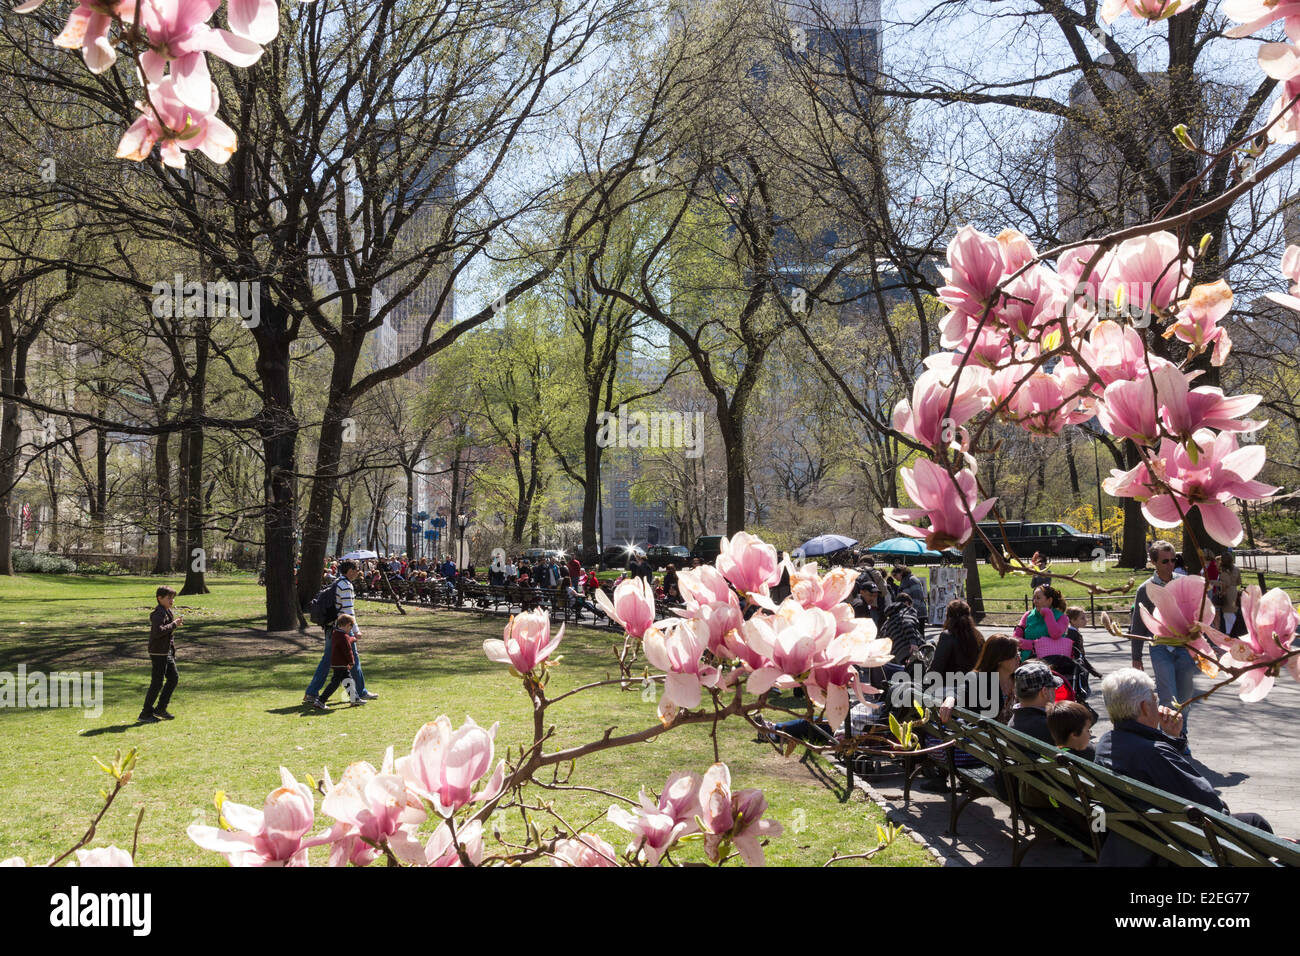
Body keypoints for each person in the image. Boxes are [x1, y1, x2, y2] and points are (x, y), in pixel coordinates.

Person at [1095, 668, 1275, 865]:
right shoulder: (1154, 753)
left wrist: (1171, 737)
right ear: (1145, 707)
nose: (1159, 703)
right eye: (1155, 698)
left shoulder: (1106, 743)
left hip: (1134, 842)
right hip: (1169, 847)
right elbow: (1211, 806)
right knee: (1256, 823)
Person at [1129, 539, 1196, 749]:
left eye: (1173, 560)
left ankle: (1180, 733)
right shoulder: (1145, 589)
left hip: (1184, 647)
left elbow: (1195, 614)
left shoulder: (1183, 583)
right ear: (1154, 562)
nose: (1170, 564)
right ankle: (1172, 741)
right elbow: (1138, 624)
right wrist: (1136, 656)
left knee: (1184, 697)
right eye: (1165, 561)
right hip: (1159, 648)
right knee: (1168, 695)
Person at [304, 560, 377, 708]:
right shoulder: (346, 586)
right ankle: (359, 691)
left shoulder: (338, 582)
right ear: (350, 570)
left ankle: (313, 692)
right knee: (348, 659)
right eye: (356, 569)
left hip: (333, 628)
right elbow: (348, 611)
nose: (358, 572)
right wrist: (355, 630)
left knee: (331, 660)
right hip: (342, 630)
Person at [940, 634, 1020, 724]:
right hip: (989, 735)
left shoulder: (1020, 678)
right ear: (1000, 659)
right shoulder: (980, 680)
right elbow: (960, 689)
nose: (1019, 658)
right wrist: (950, 698)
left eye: (1018, 654)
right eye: (1014, 656)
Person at [140, 585, 184, 723]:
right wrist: (174, 624)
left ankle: (160, 709)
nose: (172, 601)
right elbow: (158, 632)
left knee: (173, 678)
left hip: (166, 652)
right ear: (160, 598)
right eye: (169, 598)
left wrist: (173, 624)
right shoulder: (159, 613)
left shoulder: (166, 611)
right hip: (158, 653)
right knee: (157, 683)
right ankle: (145, 713)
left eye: (173, 598)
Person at [313, 613, 367, 708]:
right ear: (347, 625)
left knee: (348, 680)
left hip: (337, 663)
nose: (351, 629)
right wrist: (351, 662)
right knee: (335, 683)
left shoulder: (336, 634)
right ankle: (321, 701)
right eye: (351, 626)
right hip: (341, 664)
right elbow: (348, 651)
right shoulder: (343, 636)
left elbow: (345, 641)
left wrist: (352, 639)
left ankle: (355, 699)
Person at [1008, 660, 1061, 745]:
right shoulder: (1052, 727)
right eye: (1054, 688)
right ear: (1044, 692)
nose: (1055, 691)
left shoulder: (1014, 720)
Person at [1014, 585, 1071, 659]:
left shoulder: (1062, 617)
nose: (1035, 601)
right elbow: (1015, 638)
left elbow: (1055, 635)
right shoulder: (1028, 615)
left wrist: (1048, 614)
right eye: (1034, 598)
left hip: (1052, 663)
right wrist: (1033, 645)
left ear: (1049, 600)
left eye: (1038, 598)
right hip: (1027, 662)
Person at [929, 599, 983, 676]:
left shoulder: (947, 636)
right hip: (975, 683)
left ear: (948, 617)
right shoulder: (978, 636)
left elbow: (937, 667)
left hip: (951, 684)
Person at [881, 592, 924, 666]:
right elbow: (907, 622)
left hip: (897, 655)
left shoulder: (889, 620)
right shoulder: (907, 610)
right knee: (918, 673)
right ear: (907, 603)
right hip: (910, 649)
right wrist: (913, 642)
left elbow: (883, 634)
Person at [891, 564, 927, 629]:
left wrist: (911, 611)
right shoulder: (904, 581)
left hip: (918, 614)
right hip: (909, 614)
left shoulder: (912, 580)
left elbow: (917, 597)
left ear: (901, 572)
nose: (895, 578)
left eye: (895, 575)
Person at [1216, 550, 1242, 635]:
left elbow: (1225, 584)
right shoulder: (1237, 569)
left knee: (1228, 614)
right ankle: (1229, 632)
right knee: (1229, 613)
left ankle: (1231, 632)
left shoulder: (1223, 571)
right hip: (1234, 591)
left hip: (1226, 592)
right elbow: (1239, 582)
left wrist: (1221, 592)